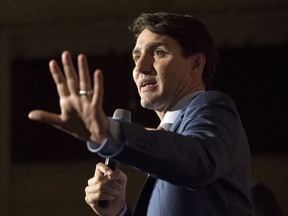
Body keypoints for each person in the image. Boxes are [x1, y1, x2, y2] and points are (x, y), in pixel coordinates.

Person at [29, 12, 252, 216]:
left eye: (158, 52)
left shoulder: (212, 106)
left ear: (195, 64)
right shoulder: (168, 142)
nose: (140, 67)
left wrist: (113, 133)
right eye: (137, 57)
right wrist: (119, 212)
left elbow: (197, 161)